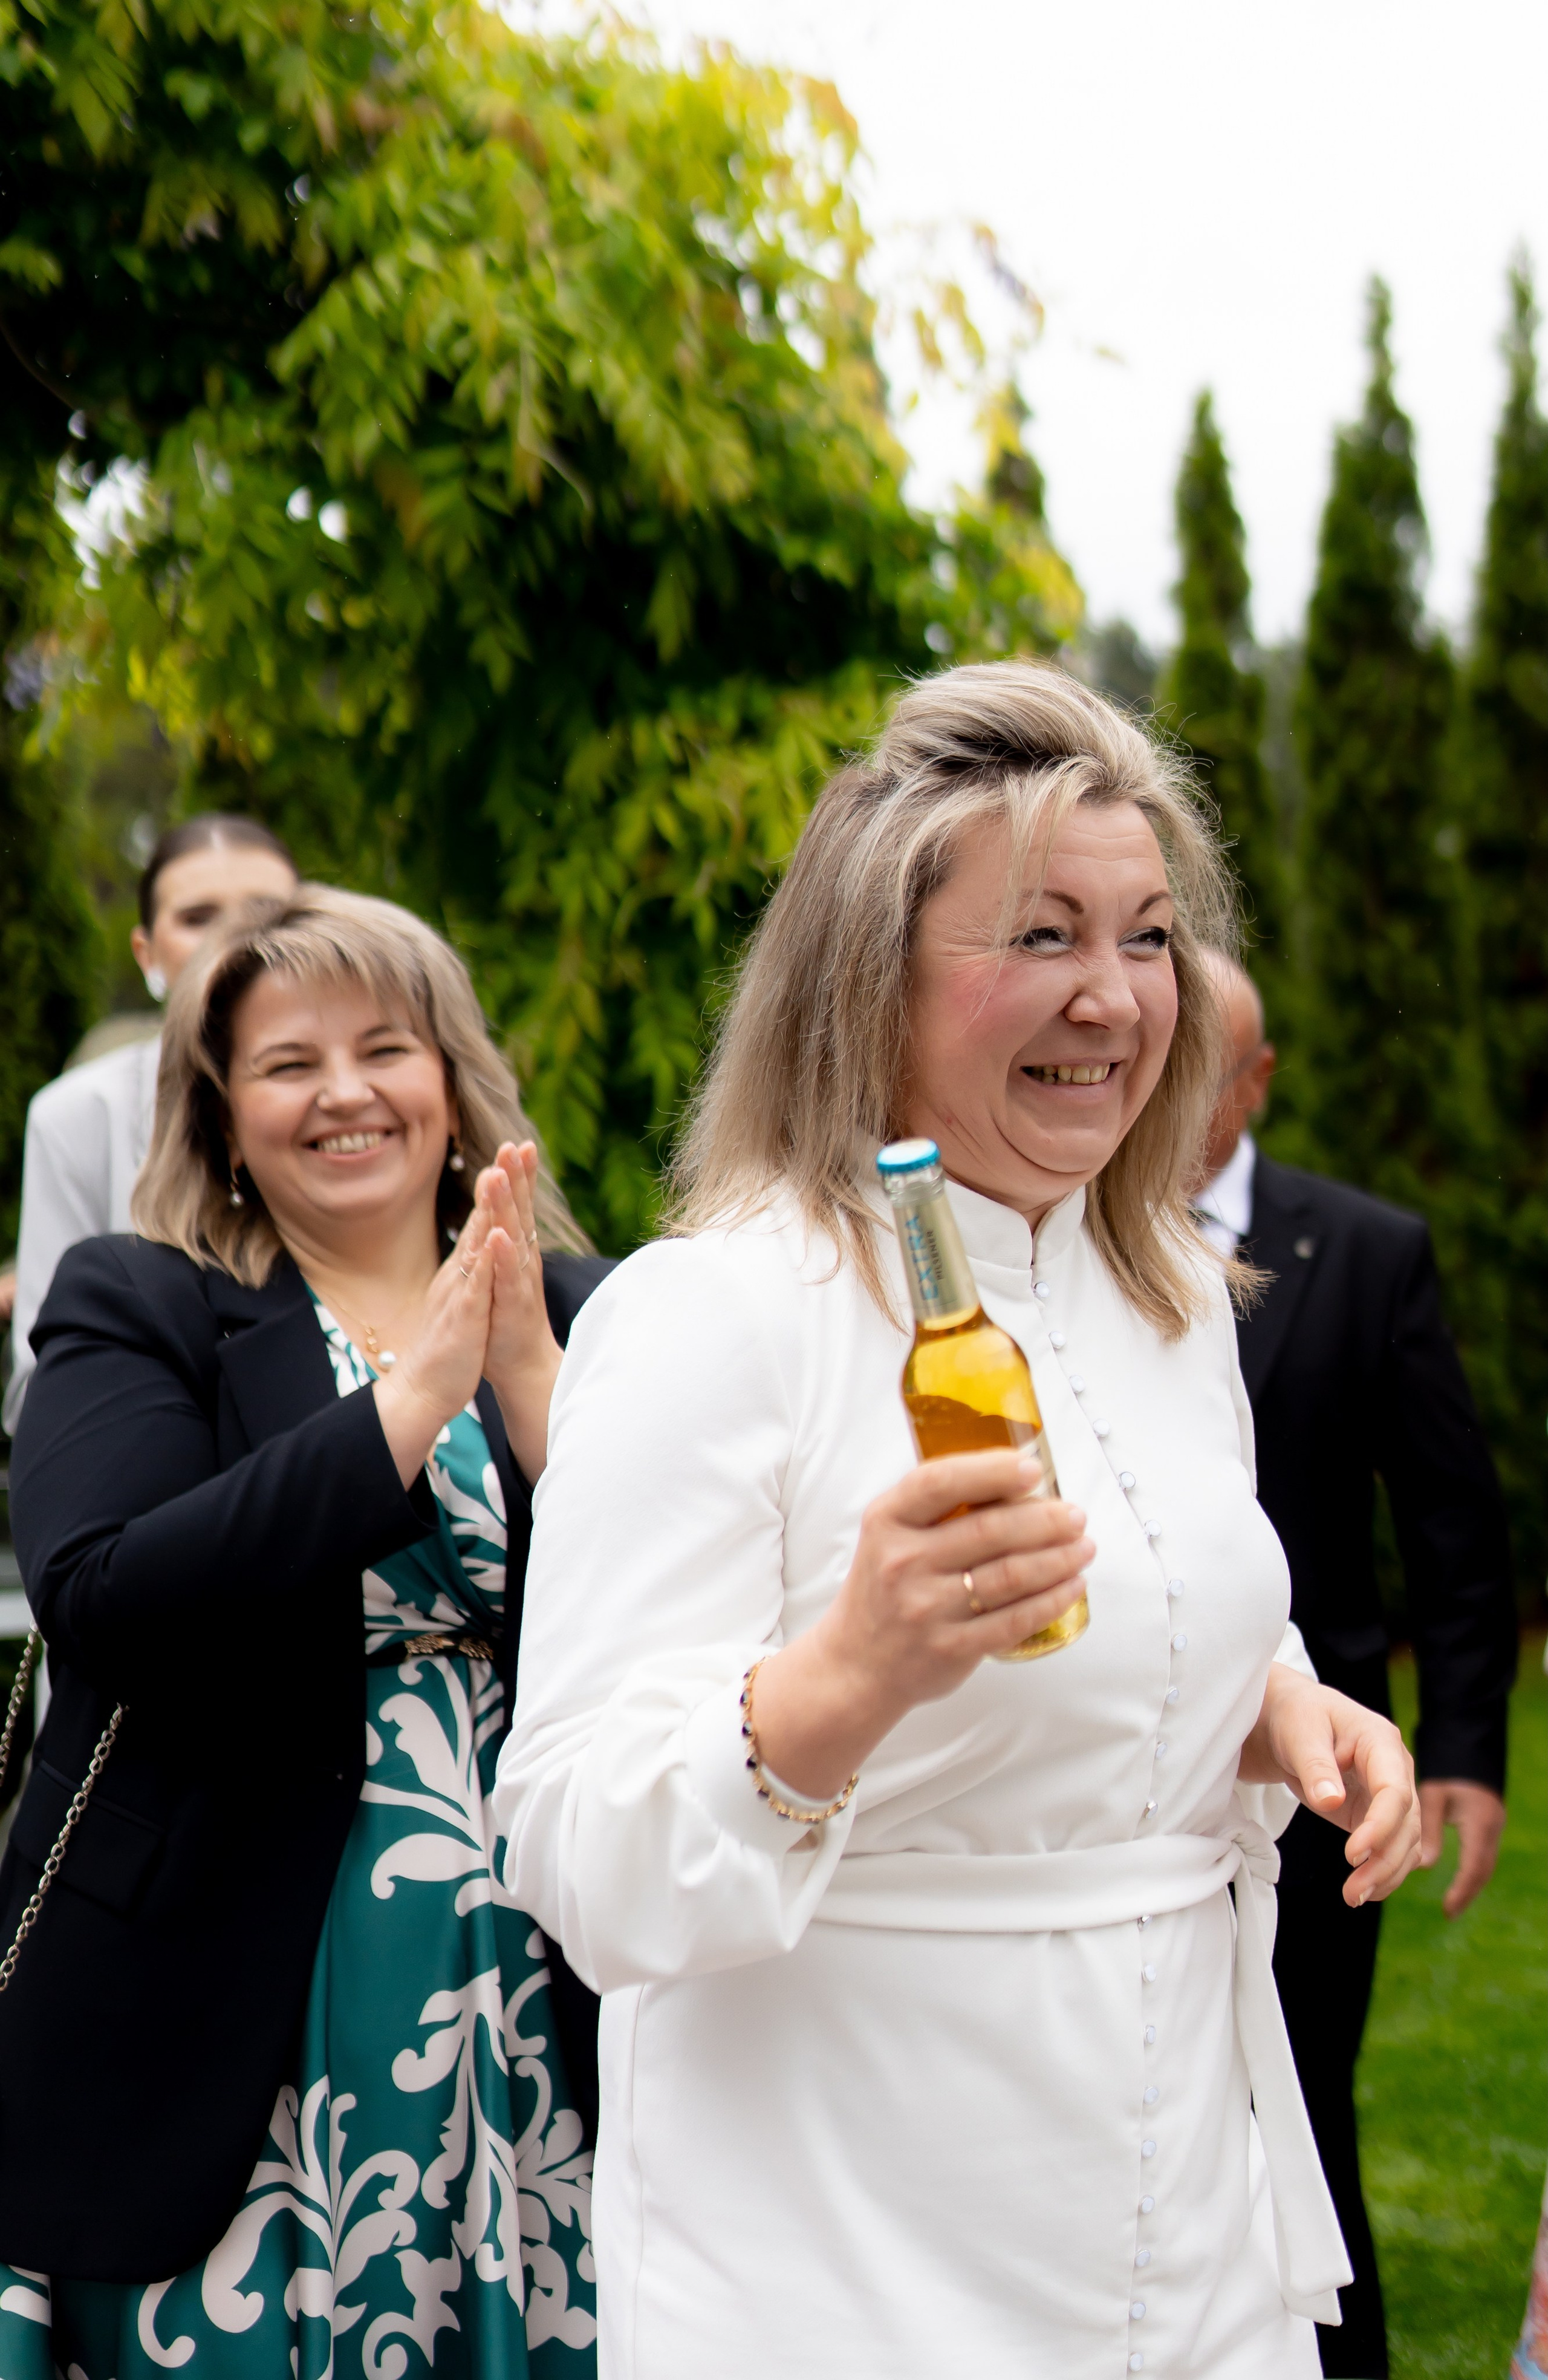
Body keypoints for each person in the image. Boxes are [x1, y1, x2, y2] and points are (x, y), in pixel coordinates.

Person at [493, 660, 1423, 2378]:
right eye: (1042, 936)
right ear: (868, 980)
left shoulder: (1171, 1300)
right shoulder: (716, 1314)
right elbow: (575, 1852)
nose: (1114, 997)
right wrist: (843, 1676)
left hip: (1191, 2219)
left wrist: (1274, 1703)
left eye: (1147, 938)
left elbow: (1162, 1604)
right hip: (851, 2242)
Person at [0, 887, 607, 2379]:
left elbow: (678, 1619)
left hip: (550, 1967)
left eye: (384, 1047)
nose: (344, 1091)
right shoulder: (142, 1300)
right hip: (238, 1978)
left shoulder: (588, 1308)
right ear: (222, 1114)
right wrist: (411, 1399)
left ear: (451, 1081)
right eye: (288, 1063)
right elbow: (105, 1590)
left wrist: (528, 1386)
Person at [1195, 950, 1518, 2379]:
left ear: (1256, 1080)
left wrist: (1462, 1749)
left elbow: (1450, 1523)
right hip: (1136, 1764)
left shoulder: (1364, 1249)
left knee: (1303, 2100)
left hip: (1321, 1772)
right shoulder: (1062, 1248)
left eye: (1202, 1067)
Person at [2, 813, 298, 1431]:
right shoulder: (79, 1113)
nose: (235, 939)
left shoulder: (361, 1103)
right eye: (197, 917)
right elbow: (44, 1376)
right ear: (147, 954)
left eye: (266, 912)